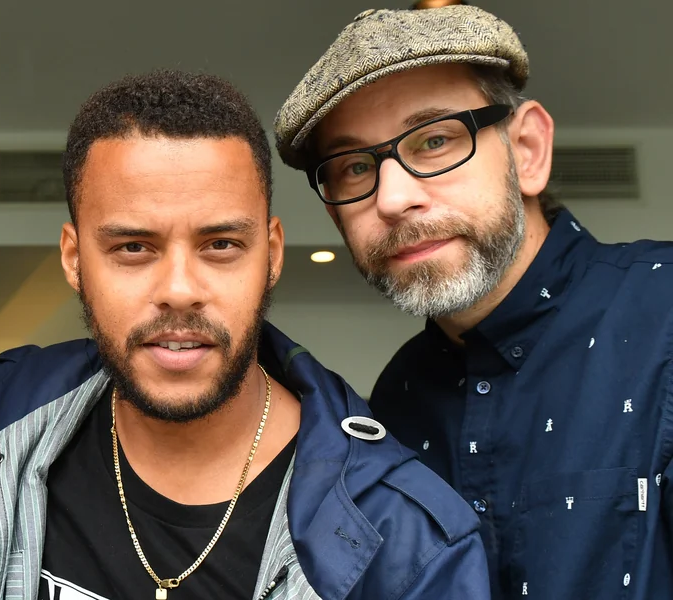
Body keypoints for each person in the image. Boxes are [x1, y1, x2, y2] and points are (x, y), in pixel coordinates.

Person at [0, 69, 491, 599]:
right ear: (74, 259)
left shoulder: (406, 536)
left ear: (272, 254)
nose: (179, 288)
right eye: (134, 248)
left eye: (221, 244)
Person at [268, 5, 673, 599]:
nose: (392, 198)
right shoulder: (396, 399)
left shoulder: (663, 314)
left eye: (435, 139)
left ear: (527, 150)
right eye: (354, 167)